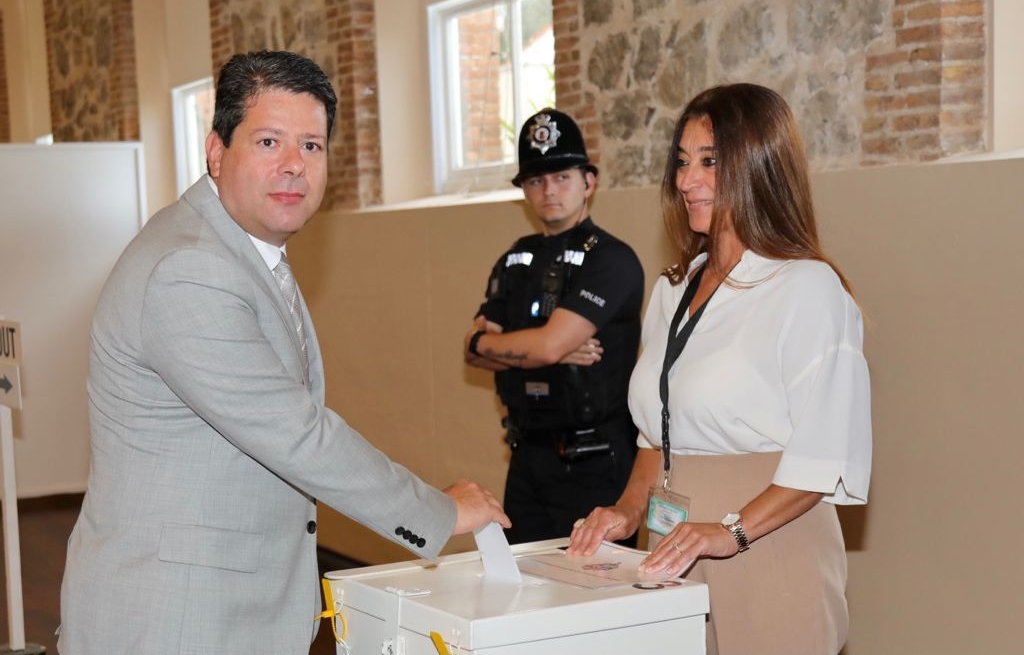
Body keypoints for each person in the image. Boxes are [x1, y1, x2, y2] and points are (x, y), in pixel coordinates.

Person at [58, 50, 508, 654]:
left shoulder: (239, 247)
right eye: (269, 142)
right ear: (216, 151)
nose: (294, 166)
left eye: (312, 146)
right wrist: (437, 512)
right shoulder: (189, 267)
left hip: (221, 604)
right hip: (177, 617)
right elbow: (295, 433)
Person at [566, 84, 872, 655]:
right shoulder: (672, 289)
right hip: (671, 548)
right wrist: (625, 511)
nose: (686, 180)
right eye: (682, 162)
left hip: (766, 546)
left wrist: (731, 530)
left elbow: (824, 454)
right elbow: (657, 434)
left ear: (761, 166)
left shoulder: (806, 288)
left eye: (710, 161)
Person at [464, 108, 644, 544]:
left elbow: (541, 347)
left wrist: (505, 345)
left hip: (597, 464)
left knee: (596, 600)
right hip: (528, 459)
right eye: (536, 181)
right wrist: (537, 348)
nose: (549, 191)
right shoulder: (515, 258)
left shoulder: (611, 259)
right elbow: (471, 350)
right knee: (523, 594)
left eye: (562, 177)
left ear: (589, 181)